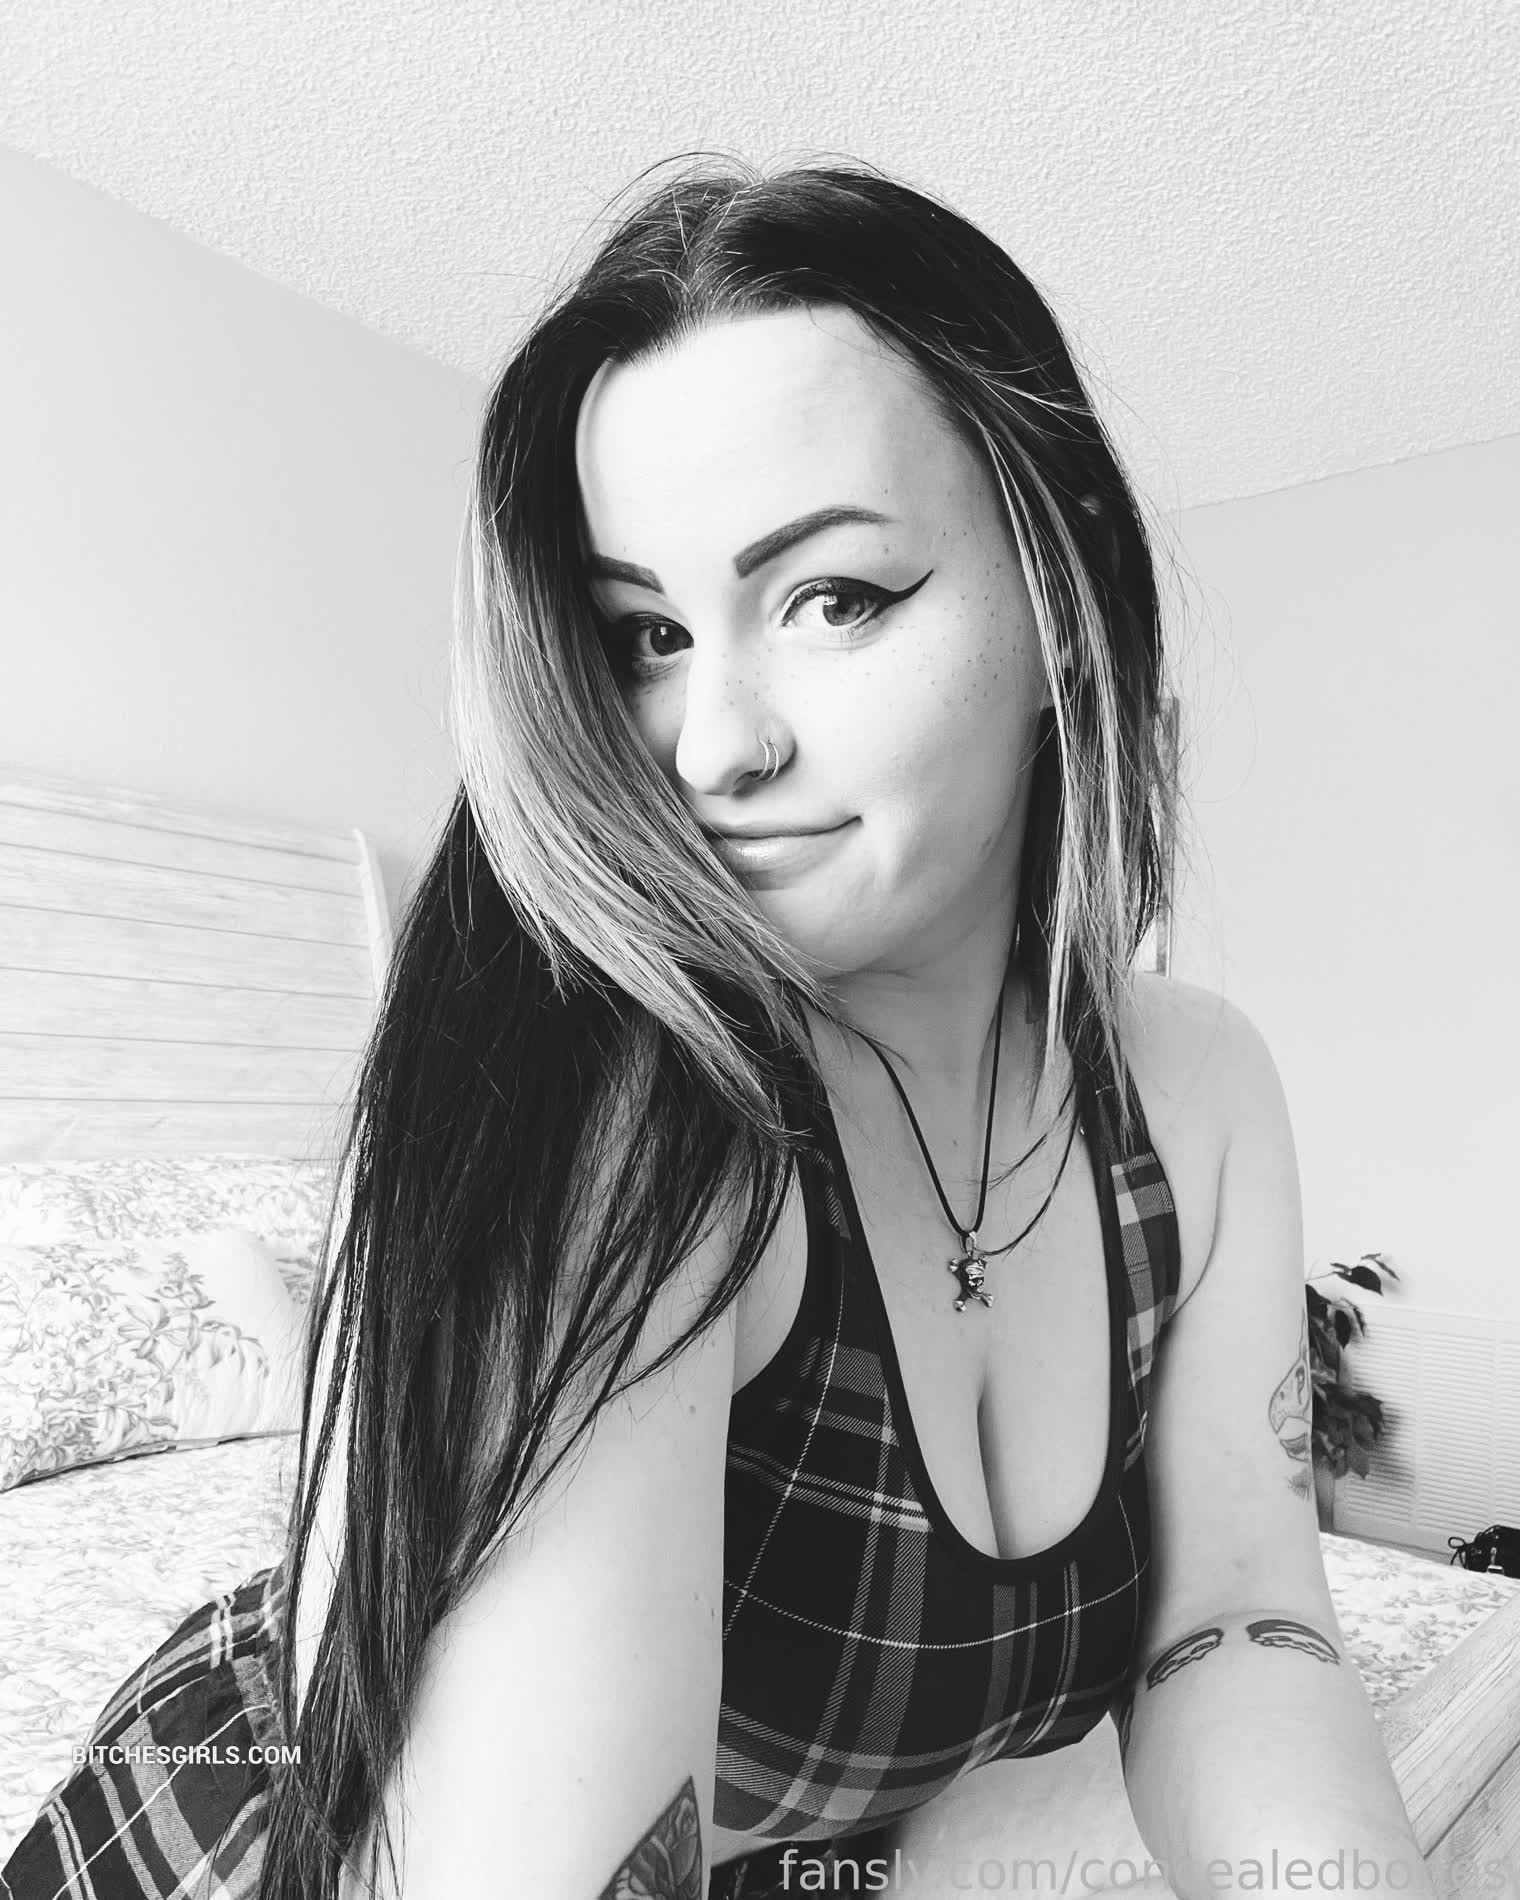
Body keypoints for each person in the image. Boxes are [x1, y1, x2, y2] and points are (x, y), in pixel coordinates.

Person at [3, 157, 1432, 1900]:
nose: (711, 749)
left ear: (1058, 592)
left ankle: (296, 1350)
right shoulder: (617, 1097)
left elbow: (1242, 1622)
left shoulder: (1193, 1090)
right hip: (252, 1806)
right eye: (647, 636)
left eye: (834, 598)